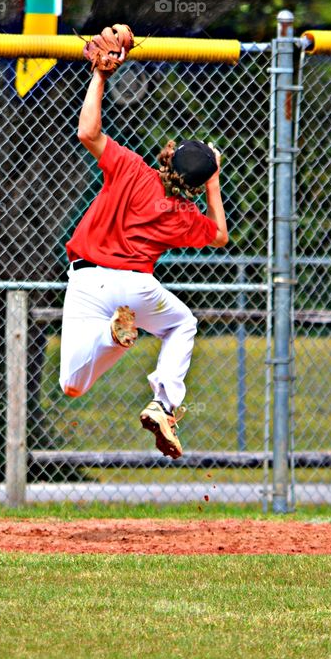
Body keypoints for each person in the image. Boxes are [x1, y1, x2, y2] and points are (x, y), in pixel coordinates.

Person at [59, 64, 229, 459]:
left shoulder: (133, 169)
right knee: (182, 323)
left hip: (89, 281)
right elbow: (220, 235)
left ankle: (111, 335)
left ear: (169, 156)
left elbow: (87, 132)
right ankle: (163, 403)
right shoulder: (183, 214)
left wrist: (99, 76)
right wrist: (214, 180)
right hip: (138, 289)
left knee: (71, 385)